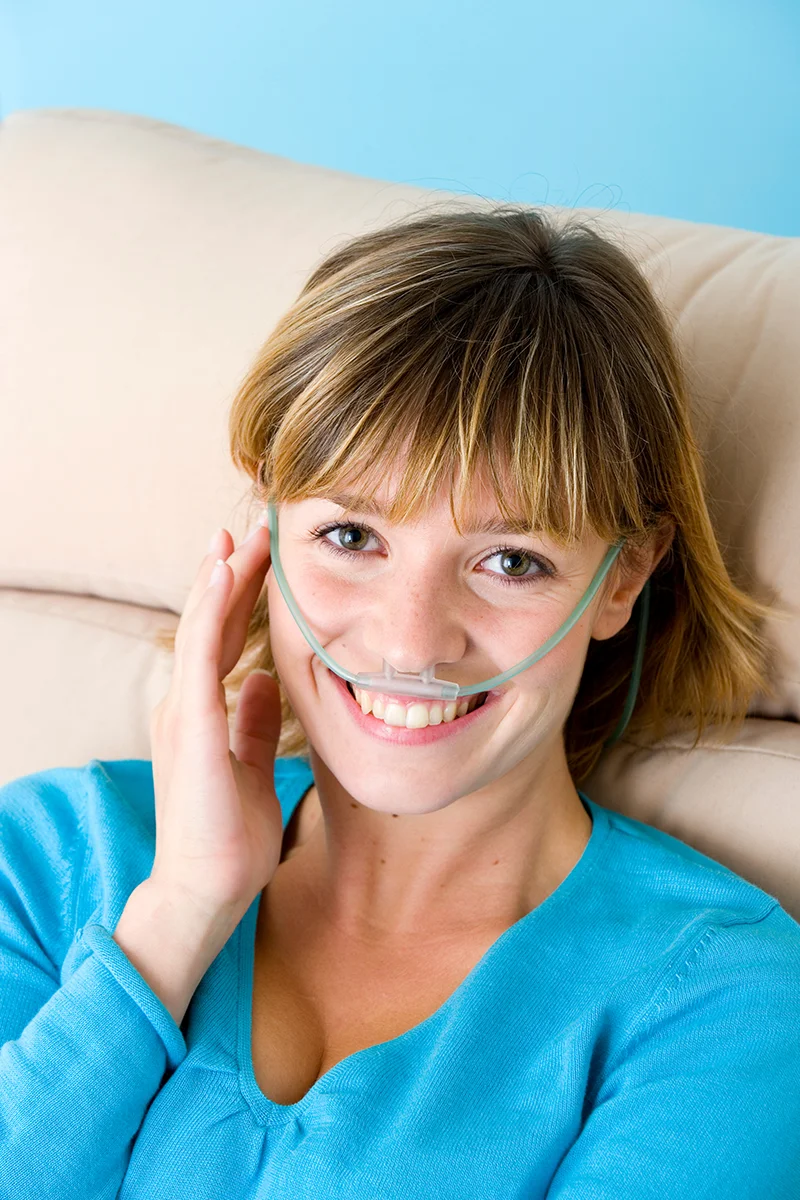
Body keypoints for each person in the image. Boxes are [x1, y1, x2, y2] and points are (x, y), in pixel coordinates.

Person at [1, 203, 799, 1199]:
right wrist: (178, 912)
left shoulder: (724, 1004)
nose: (409, 639)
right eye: (351, 537)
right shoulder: (44, 859)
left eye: (509, 560)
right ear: (268, 529)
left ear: (623, 580)